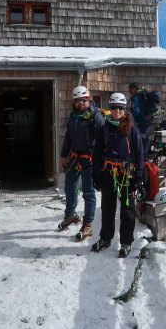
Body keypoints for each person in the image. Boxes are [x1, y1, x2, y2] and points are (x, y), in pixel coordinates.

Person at [91, 93, 144, 258]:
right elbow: (97, 152)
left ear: (124, 109)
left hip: (126, 174)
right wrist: (96, 175)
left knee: (127, 209)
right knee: (107, 207)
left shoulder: (131, 129)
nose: (117, 111)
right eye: (114, 107)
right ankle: (106, 238)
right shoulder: (104, 128)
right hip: (108, 172)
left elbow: (140, 153)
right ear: (110, 109)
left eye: (120, 107)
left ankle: (126, 242)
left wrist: (139, 175)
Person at [58, 86, 105, 241]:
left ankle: (88, 225)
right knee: (69, 186)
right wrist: (63, 155)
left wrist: (101, 160)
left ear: (89, 99)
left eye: (83, 100)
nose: (81, 103)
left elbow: (104, 140)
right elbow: (68, 138)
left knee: (88, 192)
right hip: (74, 156)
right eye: (78, 101)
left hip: (90, 159)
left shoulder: (95, 117)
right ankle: (70, 215)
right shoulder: (73, 117)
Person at [128, 82, 153, 161]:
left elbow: (136, 112)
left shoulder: (135, 98)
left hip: (141, 126)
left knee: (139, 150)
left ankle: (141, 170)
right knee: (145, 151)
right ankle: (146, 169)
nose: (130, 92)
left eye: (130, 89)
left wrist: (130, 112)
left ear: (135, 89)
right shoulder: (145, 97)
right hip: (149, 126)